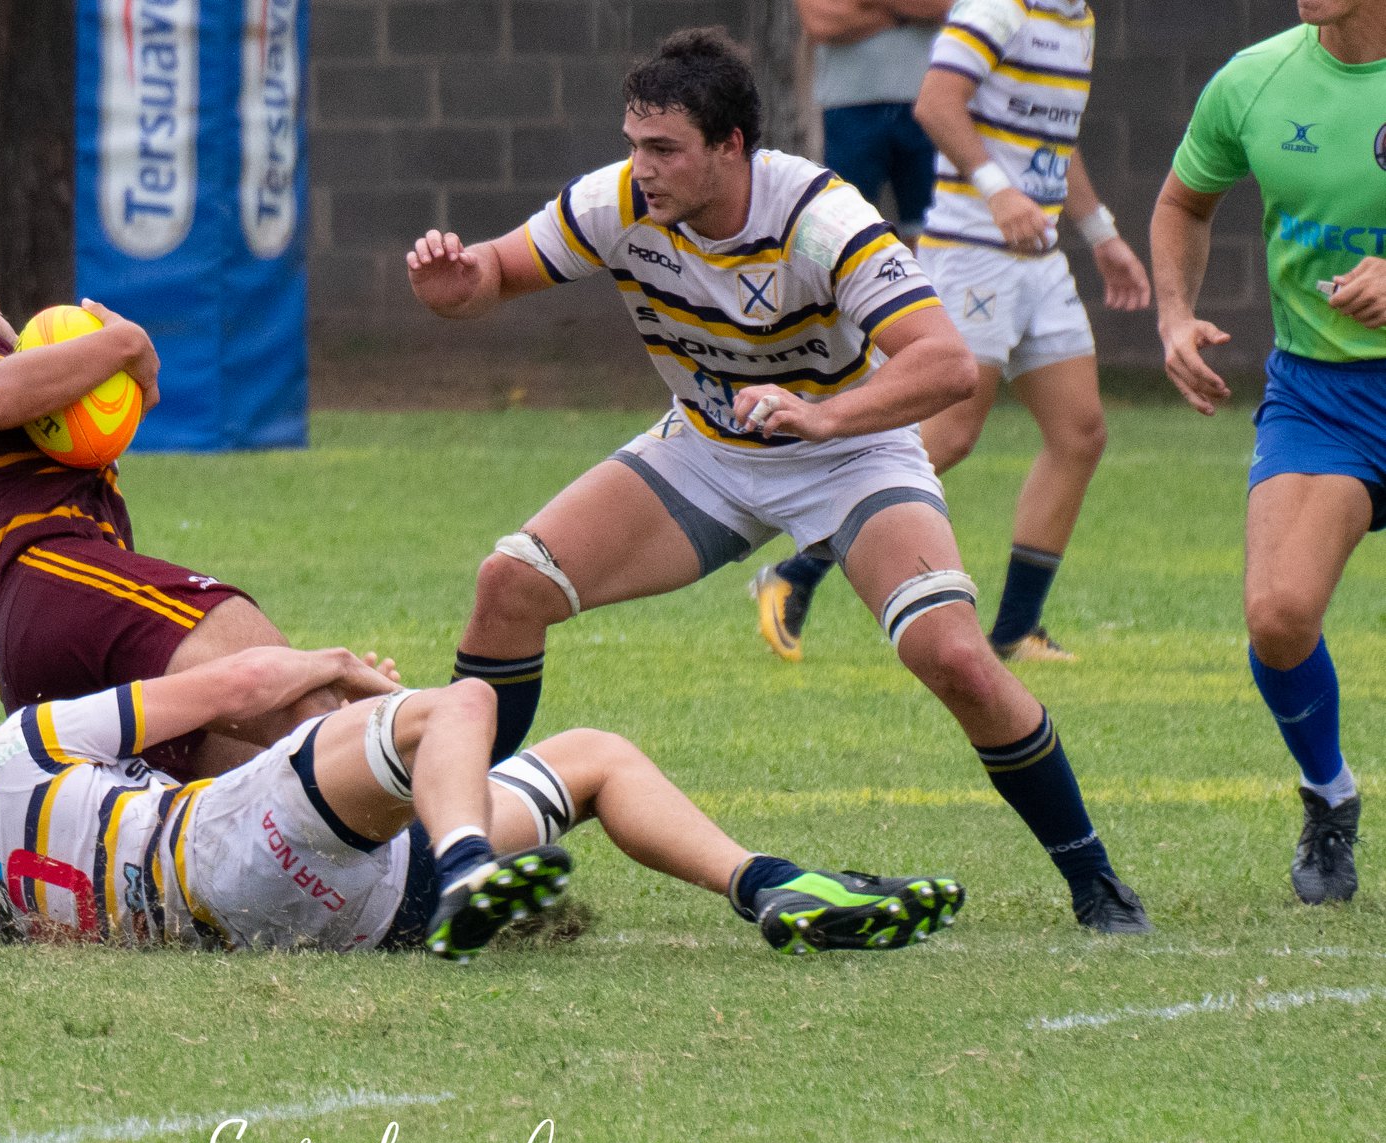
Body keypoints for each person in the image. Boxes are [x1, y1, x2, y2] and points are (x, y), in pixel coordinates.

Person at [406, 27, 1150, 932]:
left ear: (731, 147)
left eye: (665, 149)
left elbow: (948, 366)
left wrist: (826, 416)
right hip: (708, 452)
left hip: (848, 455)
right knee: (510, 585)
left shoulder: (820, 219)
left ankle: (1095, 880)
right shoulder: (618, 201)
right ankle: (449, 855)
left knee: (954, 657)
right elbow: (496, 270)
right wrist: (458, 283)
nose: (643, 169)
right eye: (636, 145)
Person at [0, 644, 966, 959]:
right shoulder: (11, 750)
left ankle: (771, 887)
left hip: (329, 921)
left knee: (592, 757)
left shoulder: (1, 907)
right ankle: (473, 864)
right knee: (456, 706)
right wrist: (339, 671)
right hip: (227, 844)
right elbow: (230, 686)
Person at [755, 0, 1151, 665]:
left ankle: (1016, 629)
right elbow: (937, 104)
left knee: (1080, 434)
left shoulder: (1075, 18)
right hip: (972, 252)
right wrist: (999, 192)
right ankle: (794, 573)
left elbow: (1054, 144)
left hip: (1038, 256)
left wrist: (1103, 235)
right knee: (950, 434)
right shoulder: (998, 7)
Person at [0, 260, 327, 780]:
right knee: (302, 702)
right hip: (63, 583)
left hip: (32, 678)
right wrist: (126, 344)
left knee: (251, 788)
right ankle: (426, 803)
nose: (13, 329)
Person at [1150, 0, 1386, 904]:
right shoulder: (1254, 80)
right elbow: (1181, 202)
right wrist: (1174, 317)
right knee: (1278, 615)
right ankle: (1331, 798)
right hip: (1321, 396)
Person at [795, 0, 951, 243]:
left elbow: (948, 6)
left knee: (931, 233)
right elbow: (820, 22)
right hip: (847, 108)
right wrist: (905, 16)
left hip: (929, 104)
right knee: (845, 232)